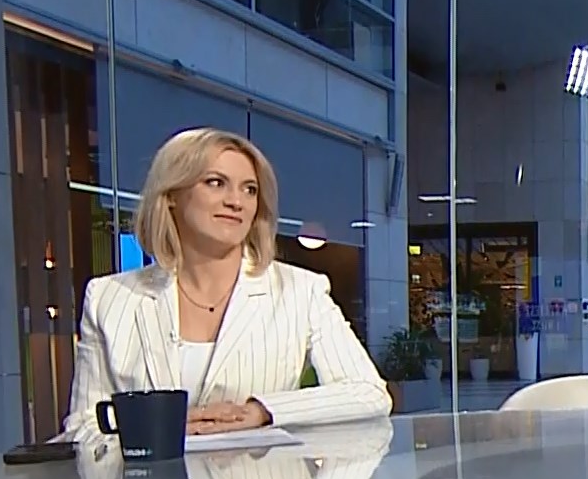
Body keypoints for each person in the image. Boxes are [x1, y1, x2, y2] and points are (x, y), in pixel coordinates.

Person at [62, 128, 390, 443]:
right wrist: (160, 425)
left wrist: (262, 411)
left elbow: (368, 392)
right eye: (216, 183)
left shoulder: (301, 291)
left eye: (250, 189)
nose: (237, 201)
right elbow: (84, 426)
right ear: (172, 195)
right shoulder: (109, 298)